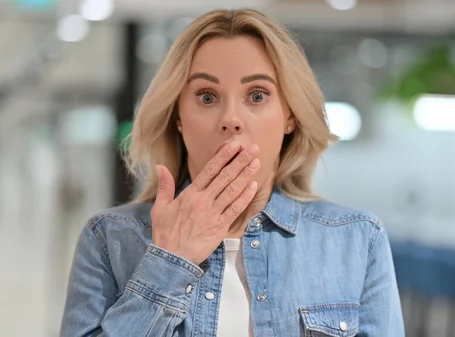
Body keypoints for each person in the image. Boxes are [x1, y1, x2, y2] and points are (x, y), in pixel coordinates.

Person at [60, 8, 404, 337]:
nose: (231, 119)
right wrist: (171, 261)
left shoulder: (357, 239)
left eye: (257, 95)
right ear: (178, 116)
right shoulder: (109, 238)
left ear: (290, 116)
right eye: (207, 97)